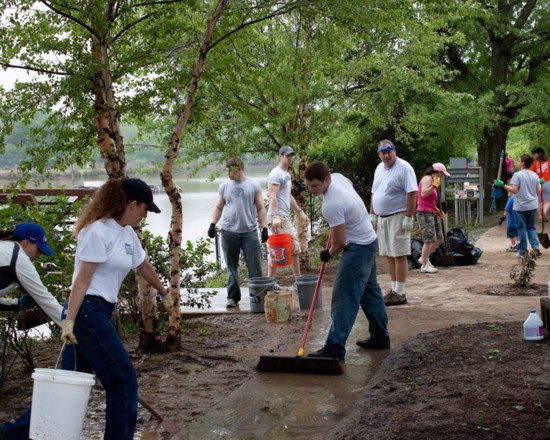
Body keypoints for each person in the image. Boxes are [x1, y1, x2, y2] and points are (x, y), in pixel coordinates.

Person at [58, 178, 174, 440]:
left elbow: (143, 266)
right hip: (86, 311)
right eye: (145, 208)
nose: (146, 215)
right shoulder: (96, 231)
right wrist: (69, 320)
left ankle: (14, 434)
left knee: (69, 386)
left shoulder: (127, 233)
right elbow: (83, 279)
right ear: (132, 204)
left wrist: (165, 292)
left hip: (97, 311)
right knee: (122, 379)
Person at [304, 161, 390, 360]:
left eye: (315, 186)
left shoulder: (331, 204)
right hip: (369, 240)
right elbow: (348, 182)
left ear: (326, 179)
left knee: (344, 297)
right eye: (308, 186)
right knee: (370, 293)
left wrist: (328, 254)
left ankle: (334, 348)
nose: (311, 190)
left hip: (357, 247)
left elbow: (340, 242)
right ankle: (380, 337)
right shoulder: (339, 178)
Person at [0, 223, 64, 440]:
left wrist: (17, 304)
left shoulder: (5, 250)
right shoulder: (18, 257)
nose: (37, 256)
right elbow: (44, 297)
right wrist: (68, 324)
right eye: (38, 250)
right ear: (27, 242)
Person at [208, 158, 268, 308]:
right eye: (226, 170)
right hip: (228, 231)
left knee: (256, 266)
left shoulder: (253, 185)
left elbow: (261, 208)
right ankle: (233, 298)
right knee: (231, 266)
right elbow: (218, 207)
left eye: (230, 170)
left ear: (239, 169)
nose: (227, 173)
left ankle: (258, 297)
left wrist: (265, 227)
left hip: (249, 231)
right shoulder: (224, 186)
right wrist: (212, 224)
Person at [370, 139, 417, 306]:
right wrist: (372, 214)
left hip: (398, 216)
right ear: (379, 154)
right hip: (383, 218)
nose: (386, 155)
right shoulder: (379, 169)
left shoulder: (404, 168)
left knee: (399, 254)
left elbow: (411, 193)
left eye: (389, 151)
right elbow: (374, 192)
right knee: (389, 255)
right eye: (383, 152)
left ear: (394, 151)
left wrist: (409, 217)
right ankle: (393, 288)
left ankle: (400, 291)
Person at [266, 146, 308, 284]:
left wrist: (299, 212)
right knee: (294, 248)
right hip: (277, 217)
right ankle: (299, 282)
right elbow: (273, 197)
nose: (290, 158)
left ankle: (269, 283)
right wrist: (276, 218)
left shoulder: (287, 174)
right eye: (287, 155)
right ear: (281, 156)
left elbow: (288, 196)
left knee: (276, 251)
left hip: (283, 216)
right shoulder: (275, 174)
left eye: (291, 156)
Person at [495, 154, 542, 258]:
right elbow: (538, 191)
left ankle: (523, 251)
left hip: (520, 206)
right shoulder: (535, 175)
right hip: (533, 205)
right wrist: (540, 183)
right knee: (531, 228)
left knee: (521, 228)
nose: (517, 162)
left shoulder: (517, 175)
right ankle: (536, 247)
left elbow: (514, 190)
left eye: (519, 160)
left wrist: (502, 185)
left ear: (523, 163)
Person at [416, 163, 450, 274]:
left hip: (431, 212)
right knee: (429, 239)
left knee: (439, 239)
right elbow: (423, 194)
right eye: (442, 174)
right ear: (437, 172)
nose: (443, 176)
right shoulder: (427, 179)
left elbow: (429, 201)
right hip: (424, 213)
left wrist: (438, 211)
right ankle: (425, 265)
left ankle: (423, 258)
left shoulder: (434, 180)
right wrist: (434, 186)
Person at [530, 147, 550, 221]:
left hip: (538, 183)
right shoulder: (549, 161)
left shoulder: (535, 163)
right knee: (548, 201)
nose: (534, 155)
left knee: (539, 201)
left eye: (535, 154)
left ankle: (541, 217)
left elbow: (532, 173)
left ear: (539, 154)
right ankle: (543, 212)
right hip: (548, 182)